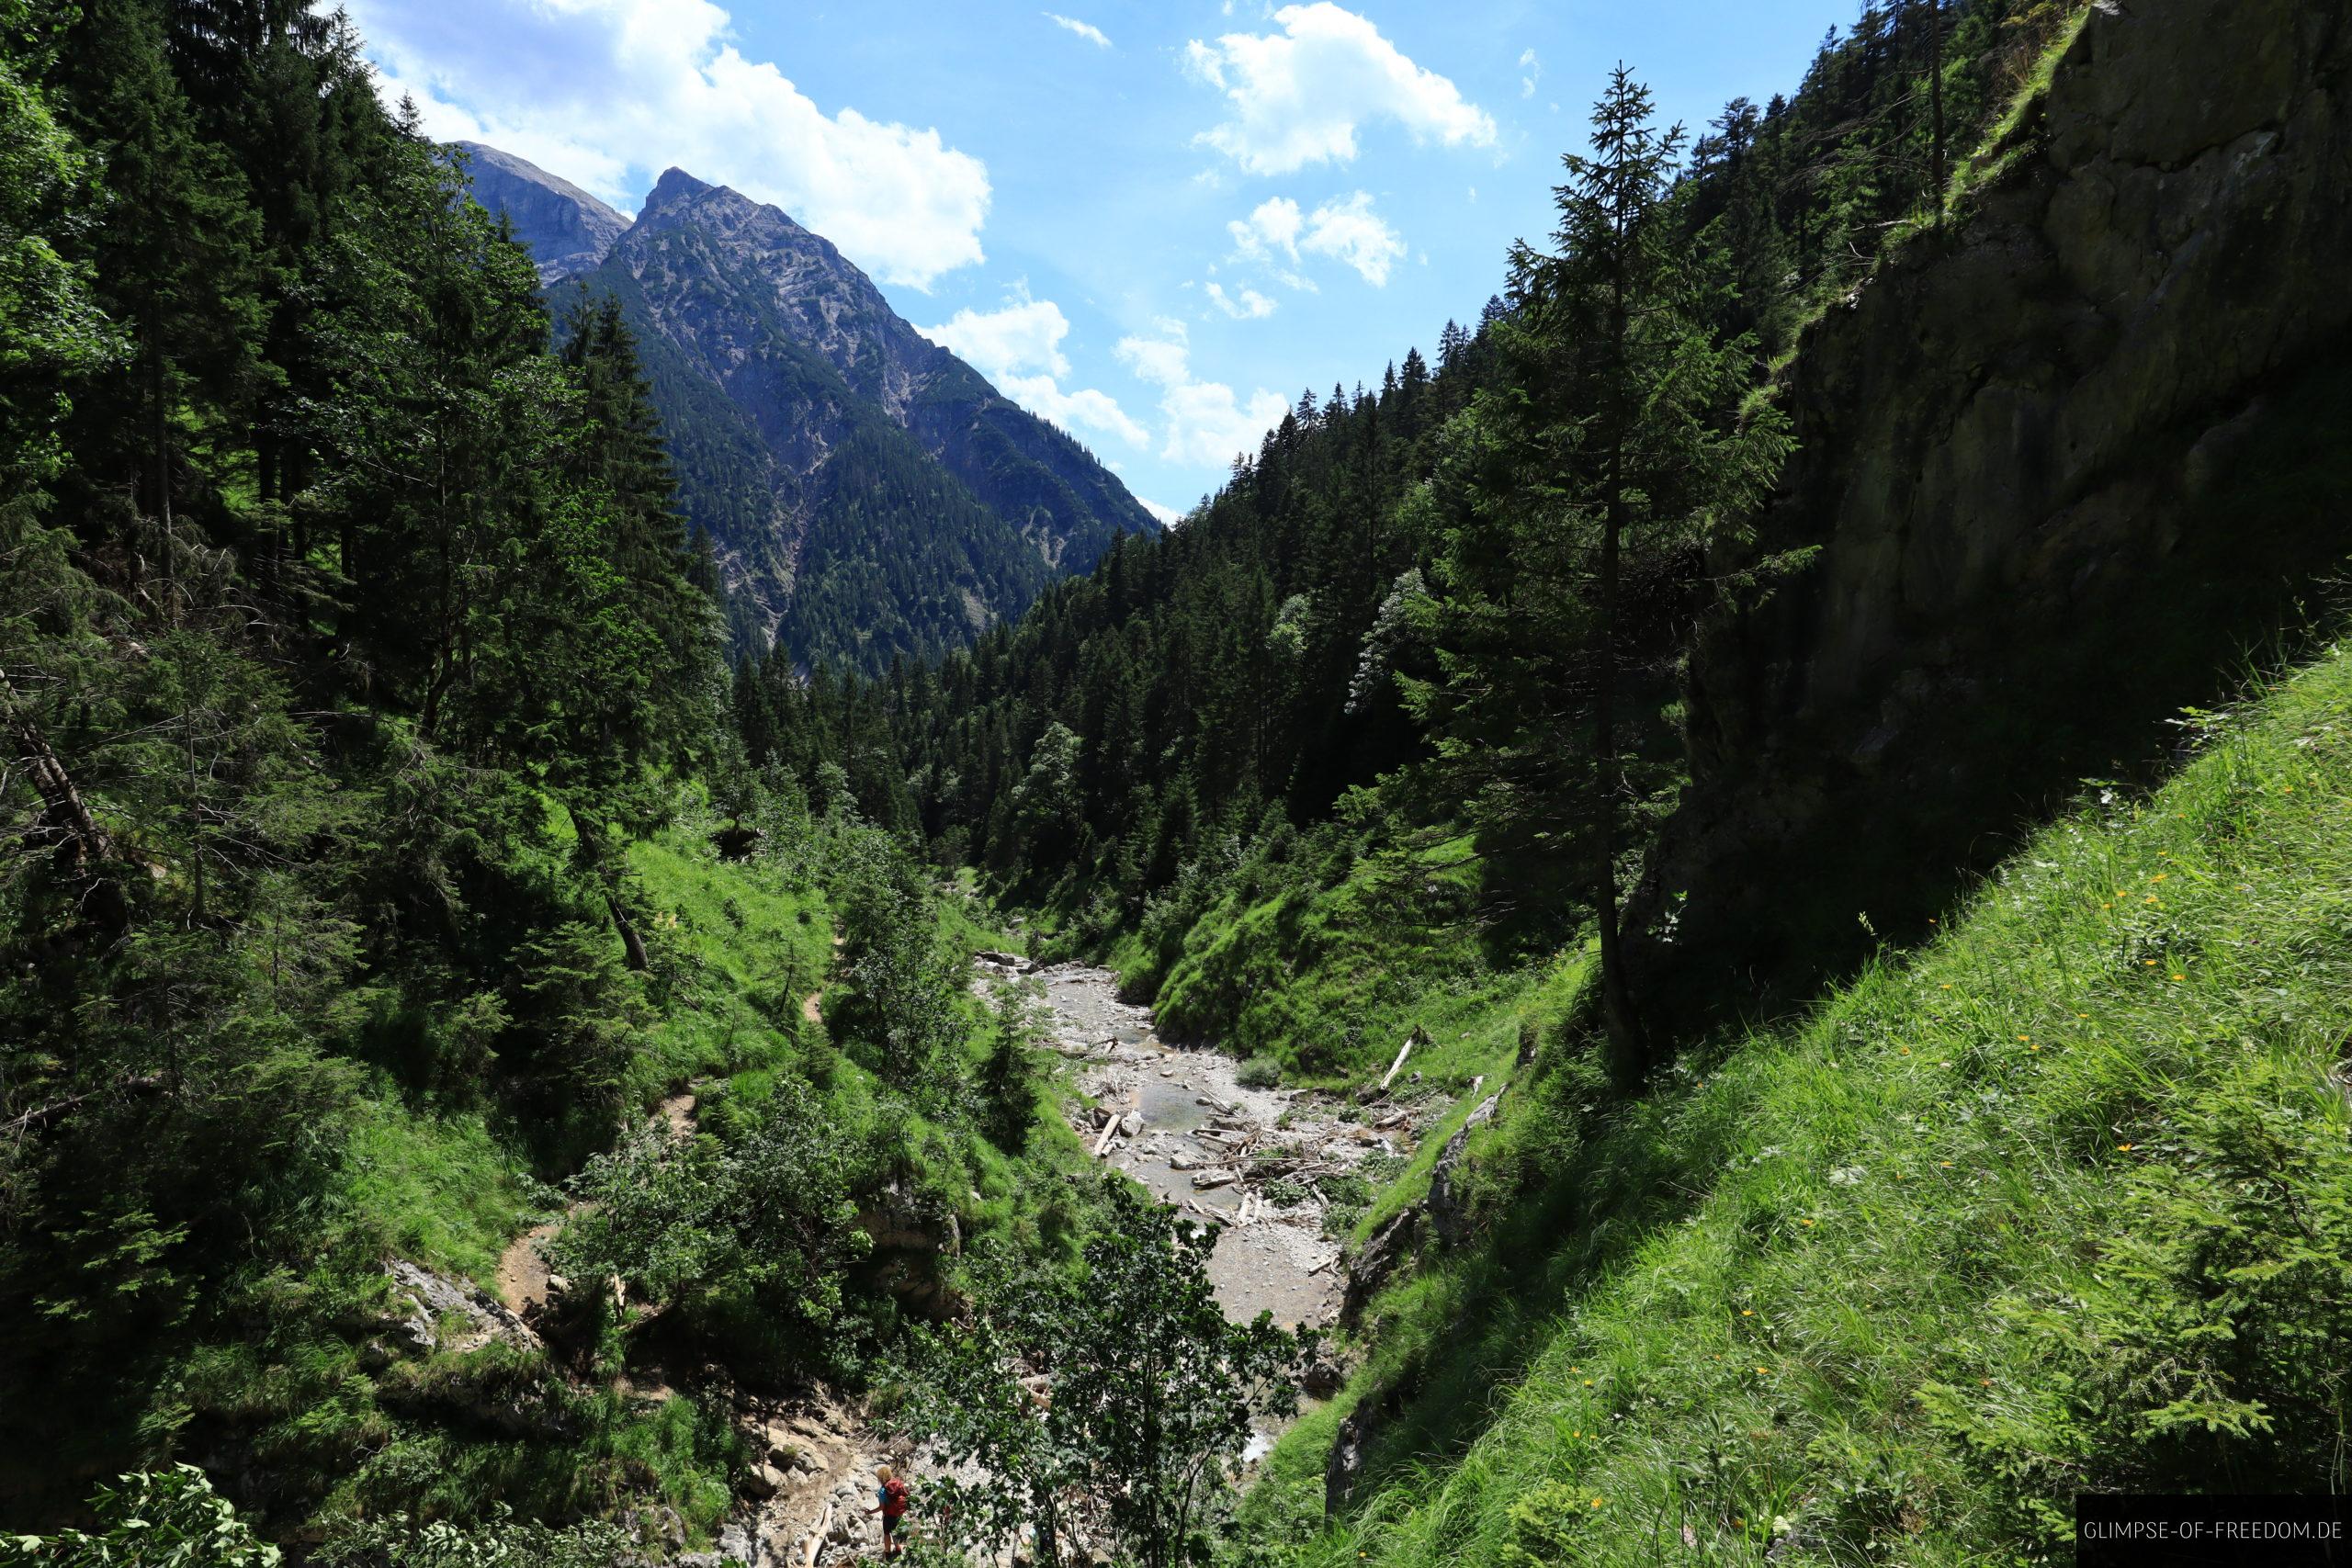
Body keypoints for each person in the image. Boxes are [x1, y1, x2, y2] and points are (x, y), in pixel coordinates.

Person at [868, 1463, 910, 1559]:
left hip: (888, 1515)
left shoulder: (882, 1491)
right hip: (899, 1514)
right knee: (895, 1532)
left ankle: (887, 1552)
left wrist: (870, 1512)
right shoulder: (898, 1483)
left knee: (887, 1533)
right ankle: (898, 1549)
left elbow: (881, 1507)